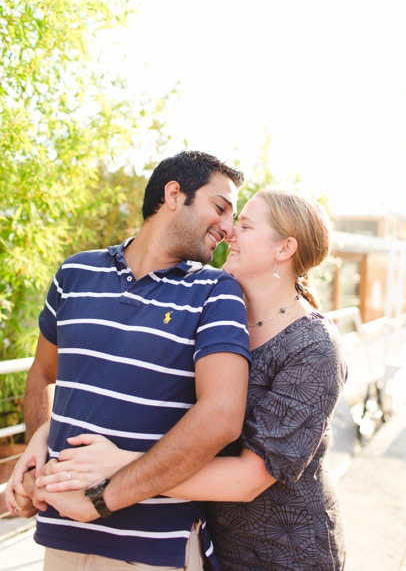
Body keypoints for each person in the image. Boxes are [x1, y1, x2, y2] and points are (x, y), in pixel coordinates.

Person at [24, 189, 348, 571]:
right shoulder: (216, 313)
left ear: (284, 249)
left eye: (244, 225)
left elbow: (248, 478)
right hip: (208, 543)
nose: (229, 233)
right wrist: (42, 441)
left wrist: (119, 466)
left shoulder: (313, 345)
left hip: (283, 551)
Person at [4, 151, 252, 570]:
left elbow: (222, 415)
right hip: (60, 534)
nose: (229, 229)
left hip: (153, 549)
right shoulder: (74, 274)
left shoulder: (217, 291)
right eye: (221, 208)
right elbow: (45, 374)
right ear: (175, 194)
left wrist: (103, 497)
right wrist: (39, 459)